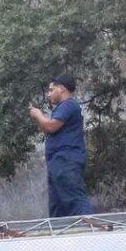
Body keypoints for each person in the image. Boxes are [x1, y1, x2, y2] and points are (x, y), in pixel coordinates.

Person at [29, 74, 94, 217]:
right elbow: (48, 130)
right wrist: (39, 119)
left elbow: (51, 126)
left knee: (74, 198)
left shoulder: (69, 105)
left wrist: (39, 115)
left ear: (62, 89)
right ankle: (59, 234)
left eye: (51, 90)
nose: (48, 94)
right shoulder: (60, 108)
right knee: (57, 204)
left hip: (66, 159)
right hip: (56, 161)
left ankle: (91, 230)